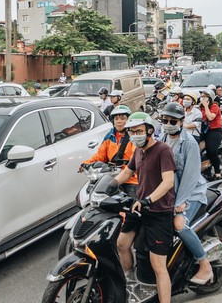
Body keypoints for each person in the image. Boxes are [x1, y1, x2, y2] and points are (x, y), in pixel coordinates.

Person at [114, 112, 176, 302]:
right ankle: (130, 280)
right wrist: (108, 185)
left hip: (159, 212)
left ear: (149, 131)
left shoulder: (163, 150)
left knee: (158, 266)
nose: (135, 135)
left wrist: (149, 199)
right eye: (132, 132)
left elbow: (168, 182)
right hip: (140, 207)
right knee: (122, 244)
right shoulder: (138, 150)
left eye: (139, 131)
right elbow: (126, 173)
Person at [157, 103, 213, 284]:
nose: (168, 123)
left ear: (181, 122)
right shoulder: (161, 138)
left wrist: (179, 203)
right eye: (164, 120)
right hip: (170, 193)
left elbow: (190, 176)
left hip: (191, 194)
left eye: (172, 121)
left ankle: (205, 264)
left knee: (179, 224)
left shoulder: (189, 143)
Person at [80, 105, 138, 199]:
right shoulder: (110, 136)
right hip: (111, 177)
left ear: (128, 120)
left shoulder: (133, 138)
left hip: (130, 180)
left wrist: (127, 171)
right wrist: (87, 163)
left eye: (122, 118)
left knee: (130, 208)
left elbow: (135, 160)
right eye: (116, 118)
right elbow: (100, 155)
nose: (119, 121)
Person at [199, 89, 222, 178]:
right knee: (197, 149)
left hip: (215, 131)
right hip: (204, 131)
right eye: (201, 96)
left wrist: (206, 106)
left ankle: (217, 172)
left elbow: (210, 117)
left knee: (212, 150)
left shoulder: (214, 106)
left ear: (209, 98)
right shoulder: (200, 107)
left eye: (204, 96)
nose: (202, 98)